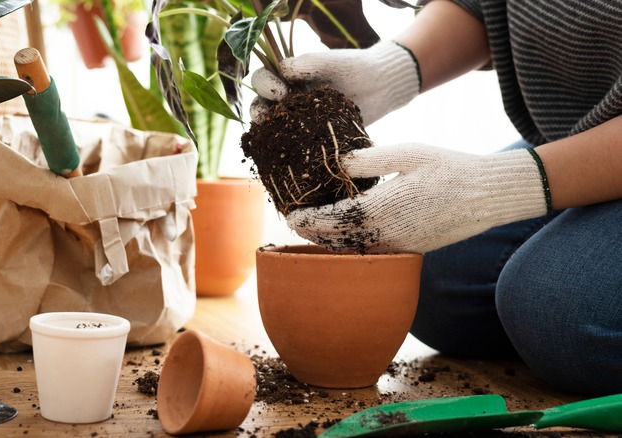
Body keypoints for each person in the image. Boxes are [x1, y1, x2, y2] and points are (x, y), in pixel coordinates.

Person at [251, 0, 622, 396]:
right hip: (582, 137)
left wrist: (501, 184)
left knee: (560, 315)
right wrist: (386, 70)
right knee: (432, 283)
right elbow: (487, 8)